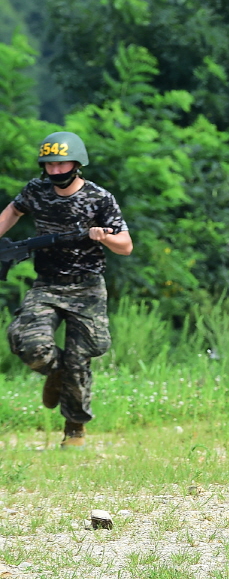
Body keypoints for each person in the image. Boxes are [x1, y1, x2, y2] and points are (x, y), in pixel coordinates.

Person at [1, 132, 133, 448]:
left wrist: (103, 238)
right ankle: (55, 374)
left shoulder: (100, 198)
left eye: (62, 165)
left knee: (82, 356)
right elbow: (14, 211)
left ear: (77, 163)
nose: (56, 171)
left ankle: (74, 430)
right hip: (46, 284)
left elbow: (125, 246)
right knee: (27, 342)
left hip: (86, 288)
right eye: (50, 166)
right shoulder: (37, 190)